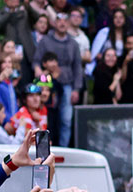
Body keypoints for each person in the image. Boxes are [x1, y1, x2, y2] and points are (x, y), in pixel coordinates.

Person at [35, 12, 82, 146]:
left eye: (65, 21)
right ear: (54, 23)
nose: (62, 23)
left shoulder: (73, 43)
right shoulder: (45, 41)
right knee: (49, 118)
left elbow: (78, 67)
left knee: (66, 120)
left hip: (67, 84)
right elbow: (36, 62)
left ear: (68, 23)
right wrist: (40, 74)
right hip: (48, 85)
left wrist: (76, 89)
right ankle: (47, 149)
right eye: (59, 20)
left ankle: (63, 149)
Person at [0, 0, 41, 79]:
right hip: (10, 54)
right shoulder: (1, 13)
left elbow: (36, 18)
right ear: (6, 1)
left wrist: (27, 5)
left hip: (27, 53)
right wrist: (10, 12)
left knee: (29, 78)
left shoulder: (24, 11)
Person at [87, 7, 128, 77]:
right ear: (112, 19)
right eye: (116, 17)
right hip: (104, 67)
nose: (118, 20)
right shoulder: (104, 32)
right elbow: (95, 52)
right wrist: (105, 58)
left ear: (124, 20)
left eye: (121, 17)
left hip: (121, 67)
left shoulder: (128, 34)